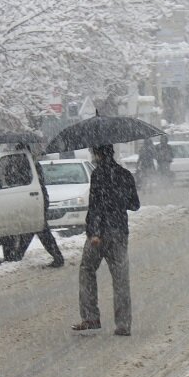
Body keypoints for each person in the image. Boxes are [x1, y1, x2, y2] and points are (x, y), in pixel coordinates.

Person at [73, 144, 140, 336]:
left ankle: (91, 317)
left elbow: (95, 206)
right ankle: (123, 324)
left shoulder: (98, 175)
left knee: (87, 270)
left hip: (100, 234)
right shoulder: (125, 175)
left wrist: (94, 232)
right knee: (120, 279)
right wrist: (120, 200)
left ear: (99, 154)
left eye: (94, 153)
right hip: (119, 232)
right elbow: (135, 204)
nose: (92, 156)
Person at [17, 144, 65, 267]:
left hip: (36, 202)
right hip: (35, 201)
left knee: (40, 230)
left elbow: (29, 183)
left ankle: (58, 257)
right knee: (33, 229)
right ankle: (16, 256)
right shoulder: (31, 165)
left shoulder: (30, 166)